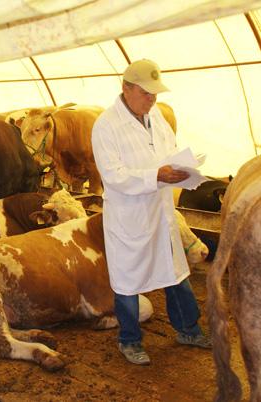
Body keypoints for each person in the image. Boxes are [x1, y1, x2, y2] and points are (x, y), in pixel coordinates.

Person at [91, 59, 211, 366]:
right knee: (128, 282)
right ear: (126, 88)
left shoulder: (155, 115)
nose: (152, 98)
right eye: (146, 93)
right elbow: (114, 175)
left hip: (161, 212)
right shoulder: (106, 126)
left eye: (155, 93)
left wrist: (182, 169)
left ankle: (188, 329)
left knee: (176, 273)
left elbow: (168, 151)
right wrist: (157, 175)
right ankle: (129, 340)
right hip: (130, 218)